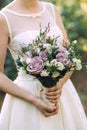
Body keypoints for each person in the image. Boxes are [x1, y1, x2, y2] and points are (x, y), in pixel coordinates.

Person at [0, 0, 87, 130]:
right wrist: (33, 100)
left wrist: (59, 84)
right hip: (27, 99)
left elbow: (70, 55)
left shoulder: (51, 9)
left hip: (61, 95)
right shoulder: (4, 18)